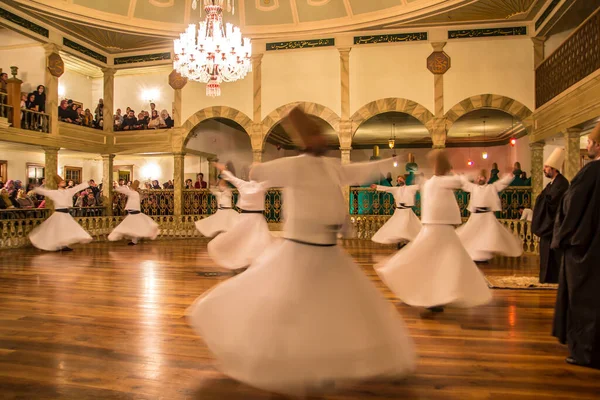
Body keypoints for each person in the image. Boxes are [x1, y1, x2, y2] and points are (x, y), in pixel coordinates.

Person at [187, 107, 415, 396]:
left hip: (330, 252)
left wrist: (390, 162)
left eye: (320, 134)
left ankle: (326, 362)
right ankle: (294, 360)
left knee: (336, 308)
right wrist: (241, 167)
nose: (320, 139)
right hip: (300, 251)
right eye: (315, 135)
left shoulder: (330, 166)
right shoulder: (295, 165)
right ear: (308, 141)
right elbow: (259, 171)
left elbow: (357, 171)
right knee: (291, 305)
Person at [376, 150, 492, 312]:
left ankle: (436, 295)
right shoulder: (439, 182)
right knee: (445, 260)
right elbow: (460, 181)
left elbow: (458, 181)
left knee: (435, 260)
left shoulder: (430, 182)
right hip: (439, 228)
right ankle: (433, 294)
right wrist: (476, 171)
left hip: (436, 227)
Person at [552, 123, 600, 369]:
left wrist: (561, 237)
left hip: (585, 250)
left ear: (597, 145)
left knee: (585, 301)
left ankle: (586, 352)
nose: (587, 145)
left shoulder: (591, 172)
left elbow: (571, 205)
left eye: (590, 143)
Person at [206, 162, 273, 270]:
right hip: (257, 219)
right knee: (258, 241)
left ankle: (245, 261)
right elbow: (272, 179)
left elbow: (230, 177)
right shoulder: (261, 186)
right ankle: (256, 263)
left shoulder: (243, 184)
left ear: (250, 176)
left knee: (240, 240)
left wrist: (223, 169)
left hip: (244, 218)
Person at [456, 169, 522, 262]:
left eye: (481, 177)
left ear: (486, 179)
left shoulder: (491, 187)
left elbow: (501, 184)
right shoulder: (473, 187)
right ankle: (475, 255)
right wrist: (461, 176)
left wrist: (508, 177)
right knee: (473, 235)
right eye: (478, 177)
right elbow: (465, 184)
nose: (480, 179)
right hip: (475, 216)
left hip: (487, 216)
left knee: (488, 236)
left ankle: (484, 256)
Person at [532, 148, 569, 283]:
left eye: (547, 167)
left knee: (553, 254)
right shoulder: (552, 183)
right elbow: (544, 198)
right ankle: (547, 277)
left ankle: (553, 278)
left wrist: (543, 199)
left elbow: (553, 202)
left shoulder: (562, 183)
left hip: (554, 224)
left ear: (554, 168)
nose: (544, 169)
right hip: (549, 224)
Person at [29, 175, 92, 251]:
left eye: (63, 182)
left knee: (66, 229)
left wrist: (87, 184)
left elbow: (77, 188)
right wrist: (35, 188)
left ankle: (63, 244)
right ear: (58, 184)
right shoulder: (55, 193)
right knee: (57, 230)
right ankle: (58, 244)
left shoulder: (68, 191)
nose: (63, 183)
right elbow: (45, 192)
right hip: (59, 213)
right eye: (61, 182)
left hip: (66, 213)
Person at [370, 174, 421, 247]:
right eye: (398, 180)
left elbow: (420, 186)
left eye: (401, 179)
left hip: (407, 210)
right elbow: (386, 188)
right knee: (399, 226)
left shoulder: (411, 188)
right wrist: (377, 187)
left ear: (404, 180)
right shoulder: (395, 189)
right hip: (399, 211)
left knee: (407, 226)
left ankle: (405, 241)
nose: (400, 181)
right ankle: (401, 241)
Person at [108, 180, 159, 245]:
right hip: (134, 213)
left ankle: (131, 240)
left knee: (127, 227)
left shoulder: (133, 193)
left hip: (134, 213)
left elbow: (124, 191)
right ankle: (134, 240)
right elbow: (139, 197)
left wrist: (117, 186)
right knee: (134, 227)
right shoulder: (136, 193)